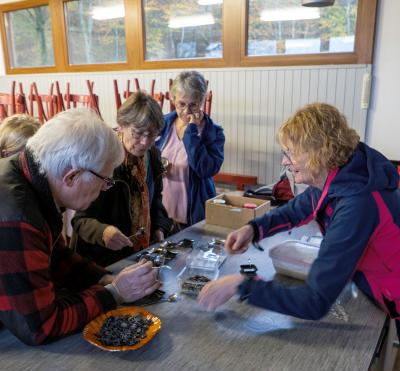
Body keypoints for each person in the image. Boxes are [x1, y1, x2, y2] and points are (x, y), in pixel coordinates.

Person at [198, 102, 400, 337]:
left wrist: (241, 285)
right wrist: (253, 229)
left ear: (319, 152)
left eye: (290, 152)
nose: (284, 161)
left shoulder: (357, 203)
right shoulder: (343, 174)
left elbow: (314, 301)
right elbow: (296, 209)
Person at [0, 108, 159, 345]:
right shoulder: (18, 215)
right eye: (105, 180)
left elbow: (55, 255)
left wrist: (104, 278)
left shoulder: (28, 171)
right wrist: (113, 293)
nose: (105, 188)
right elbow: (41, 327)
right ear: (71, 177)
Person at [71, 91, 172, 266]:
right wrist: (104, 232)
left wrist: (159, 227)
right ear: (121, 125)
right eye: (138, 133)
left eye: (152, 135)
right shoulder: (101, 160)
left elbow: (155, 200)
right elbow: (80, 221)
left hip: (138, 253)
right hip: (100, 260)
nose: (145, 142)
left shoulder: (153, 156)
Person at [156, 71, 225, 229]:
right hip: (161, 212)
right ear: (173, 99)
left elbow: (205, 169)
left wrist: (191, 131)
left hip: (193, 214)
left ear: (202, 101)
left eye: (193, 104)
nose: (186, 111)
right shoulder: (162, 124)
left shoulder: (213, 132)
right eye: (181, 104)